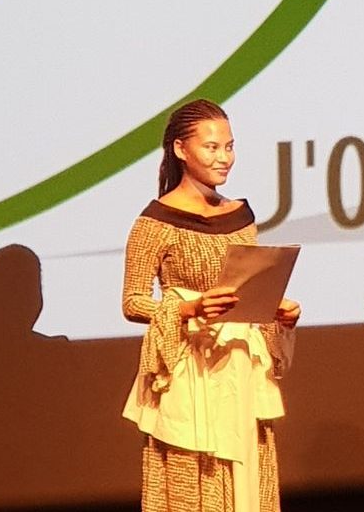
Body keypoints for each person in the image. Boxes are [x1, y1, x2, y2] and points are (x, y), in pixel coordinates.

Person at [121, 99, 301, 512]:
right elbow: (132, 301)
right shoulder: (155, 222)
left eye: (229, 147)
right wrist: (188, 308)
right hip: (190, 370)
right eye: (212, 147)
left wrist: (278, 313)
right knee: (197, 480)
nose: (224, 158)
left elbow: (247, 288)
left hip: (240, 364)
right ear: (181, 149)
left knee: (247, 481)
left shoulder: (240, 215)